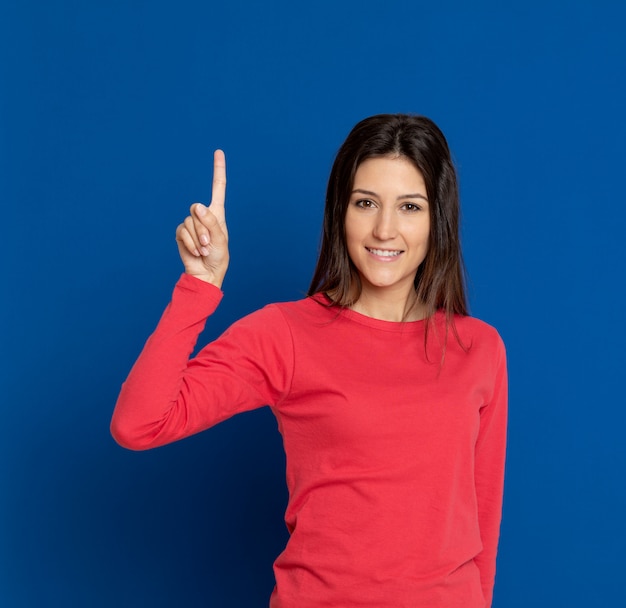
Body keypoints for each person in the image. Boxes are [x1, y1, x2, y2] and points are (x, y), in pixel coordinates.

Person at [111, 114, 508, 608]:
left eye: (410, 206)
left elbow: (482, 522)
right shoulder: (286, 334)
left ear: (437, 220)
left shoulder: (479, 349)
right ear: (340, 211)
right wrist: (200, 286)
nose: (385, 229)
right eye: (366, 203)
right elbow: (139, 423)